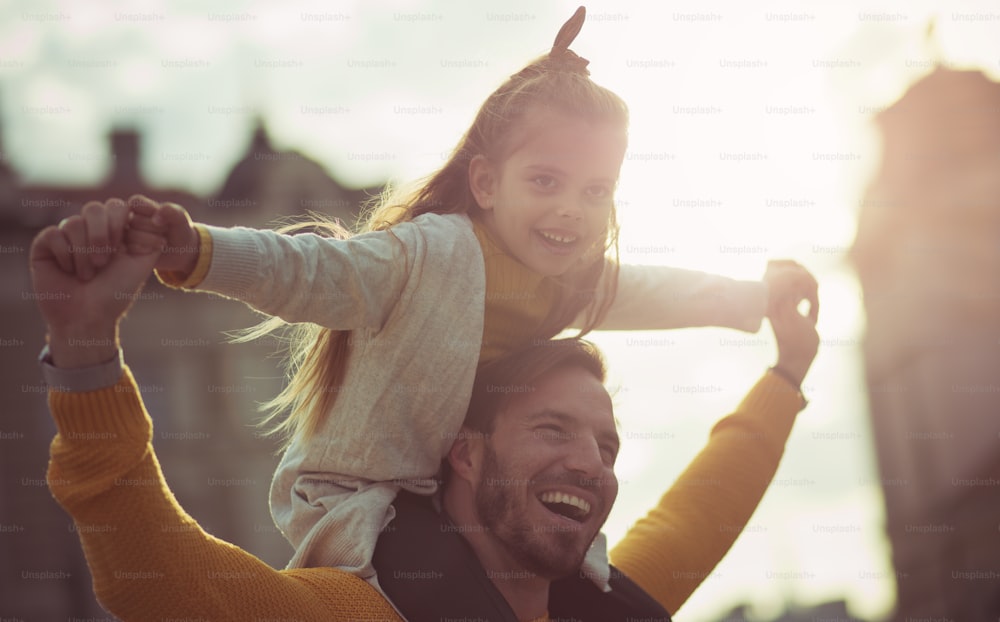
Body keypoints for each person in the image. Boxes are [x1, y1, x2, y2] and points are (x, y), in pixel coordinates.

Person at [118, 5, 819, 591]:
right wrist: (197, 251)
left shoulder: (570, 278)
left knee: (587, 590)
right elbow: (311, 271)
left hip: (476, 498)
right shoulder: (432, 254)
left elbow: (651, 291)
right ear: (486, 185)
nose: (572, 210)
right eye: (545, 181)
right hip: (378, 504)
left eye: (595, 190)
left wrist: (755, 298)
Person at [30, 196, 818, 620]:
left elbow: (705, 507)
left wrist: (788, 371)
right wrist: (87, 349)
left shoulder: (608, 607)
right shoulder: (364, 613)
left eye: (606, 447)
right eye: (553, 429)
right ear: (464, 453)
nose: (589, 461)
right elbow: (158, 578)